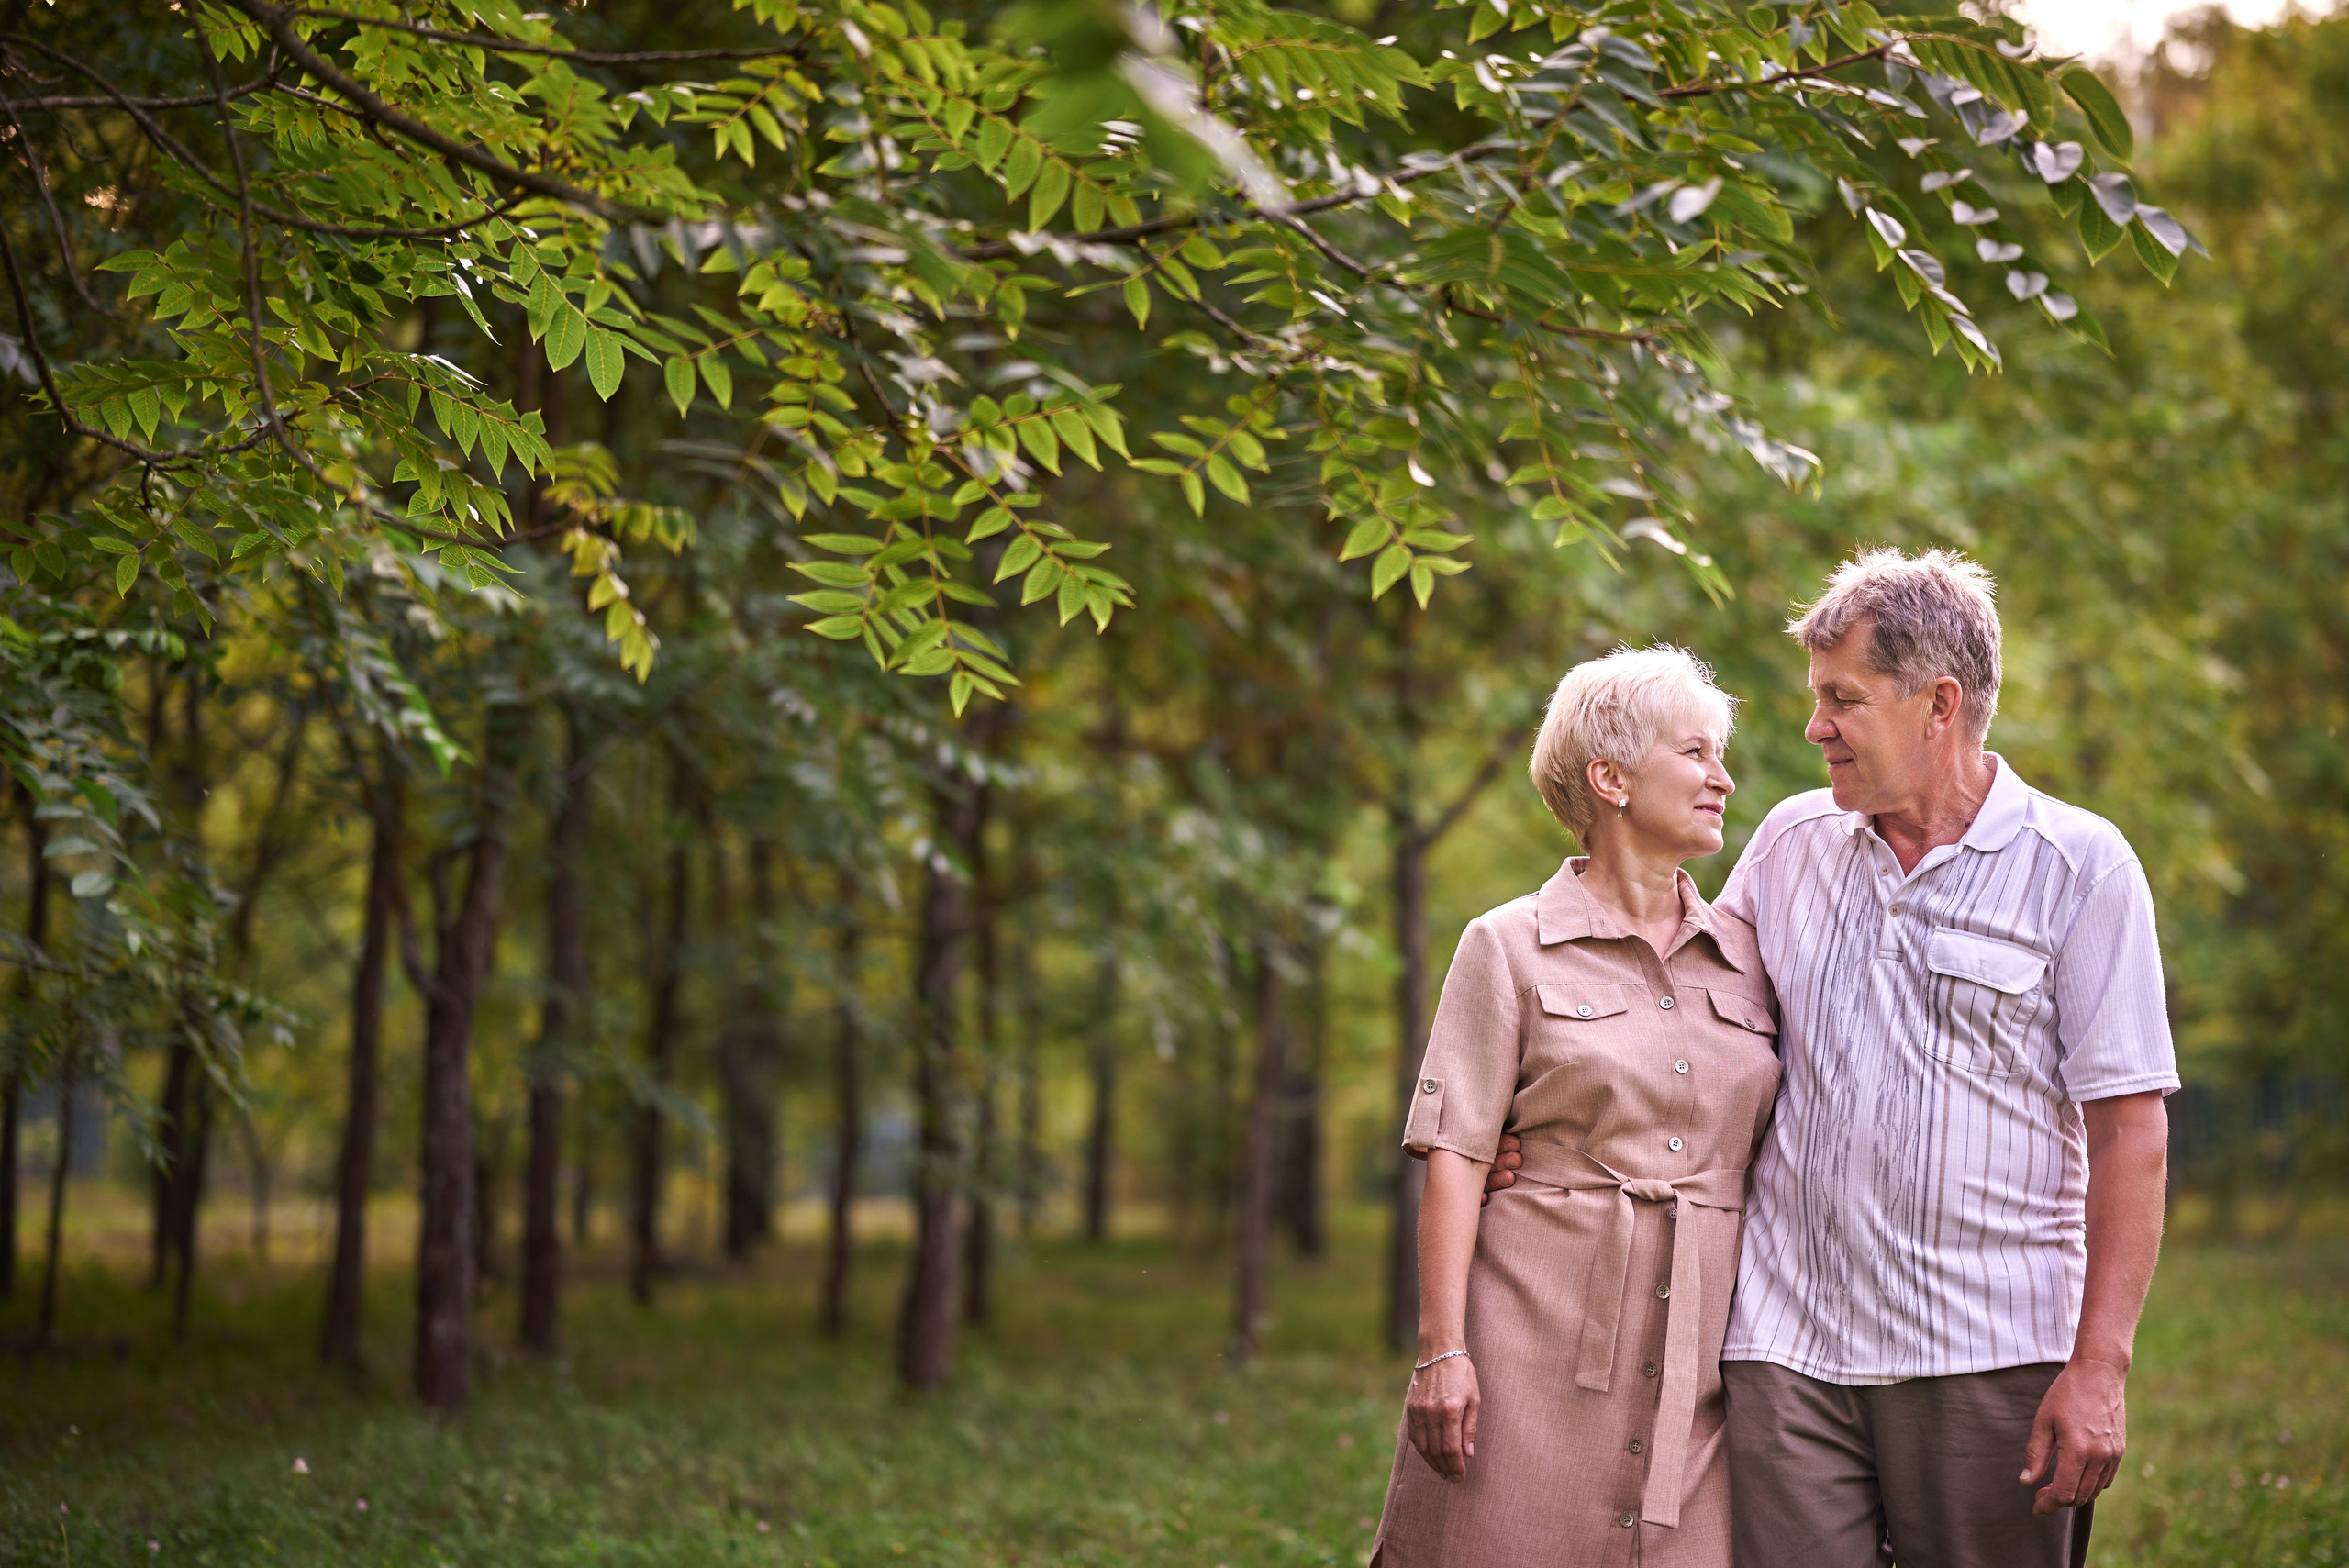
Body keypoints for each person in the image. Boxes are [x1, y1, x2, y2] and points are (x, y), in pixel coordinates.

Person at [1486, 550, 2176, 1568]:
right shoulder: (1790, 840)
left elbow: (2131, 1131)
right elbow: (1677, 1016)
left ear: (1938, 703)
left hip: (1988, 1356)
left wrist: (2099, 1365)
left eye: (1841, 698)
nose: (1814, 727)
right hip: (1786, 1355)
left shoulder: (2079, 863)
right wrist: (1533, 1136)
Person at [1372, 646, 1784, 1568]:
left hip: (1710, 1367)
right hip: (1531, 1348)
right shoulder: (1507, 946)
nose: (1723, 777)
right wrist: (1442, 1351)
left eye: (1720, 753)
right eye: (1695, 751)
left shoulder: (1752, 959)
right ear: (1611, 776)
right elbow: (1458, 1155)